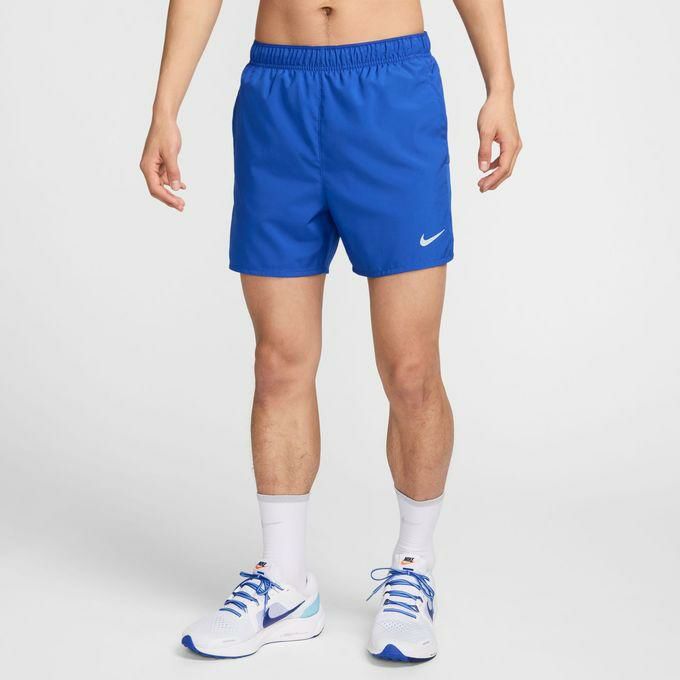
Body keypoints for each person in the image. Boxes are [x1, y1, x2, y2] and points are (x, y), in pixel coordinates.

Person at [140, 0, 521, 663]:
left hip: (390, 92)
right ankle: (285, 584)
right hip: (278, 94)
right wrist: (164, 106)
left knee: (410, 367)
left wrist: (501, 86)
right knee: (278, 362)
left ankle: (414, 566)